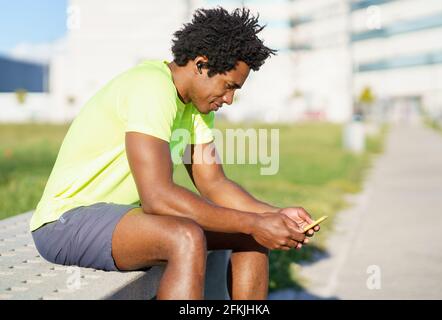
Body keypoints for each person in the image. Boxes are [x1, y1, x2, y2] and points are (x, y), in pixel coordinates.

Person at [30, 7, 320, 300]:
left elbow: (214, 183)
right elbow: (158, 197)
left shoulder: (197, 108)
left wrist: (274, 216)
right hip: (65, 223)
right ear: (201, 65)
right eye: (228, 86)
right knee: (185, 238)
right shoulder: (151, 86)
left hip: (123, 218)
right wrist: (255, 221)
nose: (230, 100)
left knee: (251, 236)